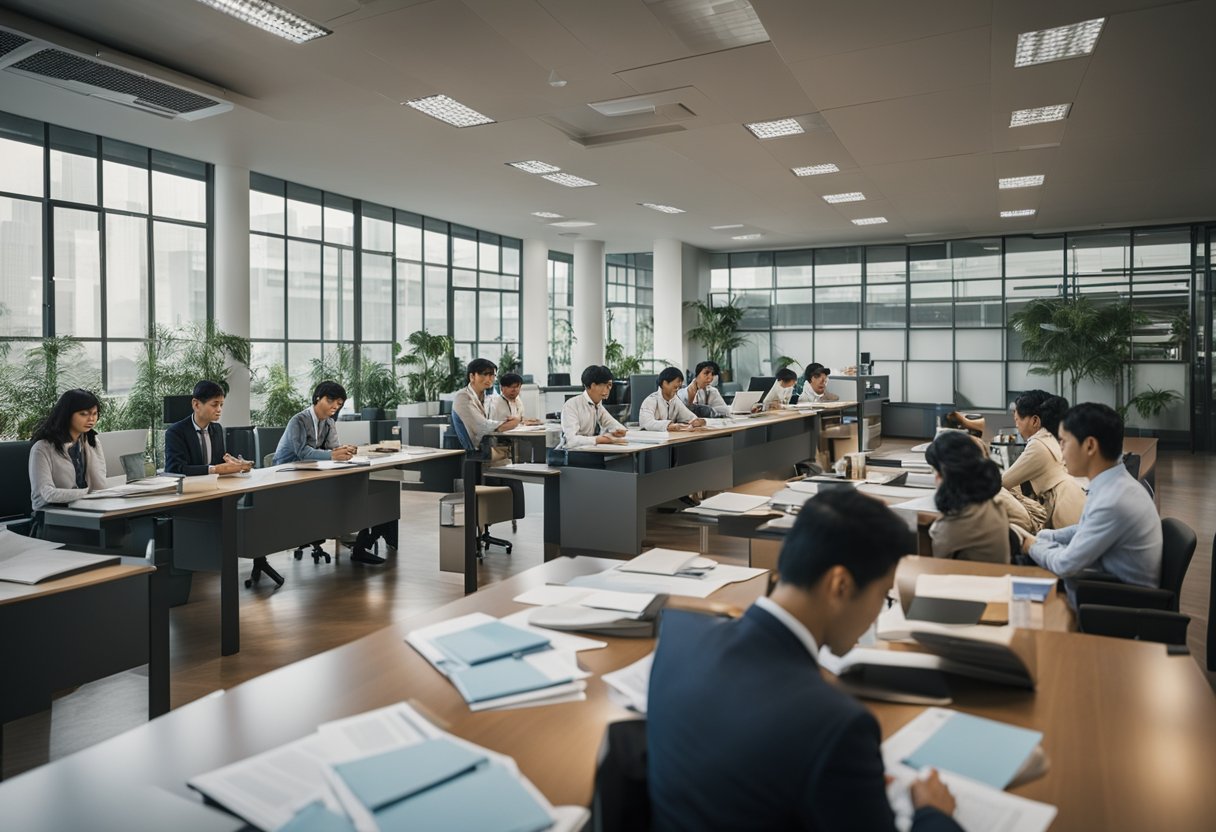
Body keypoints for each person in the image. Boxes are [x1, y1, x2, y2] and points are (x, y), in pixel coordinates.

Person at [647, 488, 962, 832]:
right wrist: (934, 814)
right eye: (882, 594)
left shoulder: (679, 636)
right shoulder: (838, 724)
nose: (876, 615)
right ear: (840, 584)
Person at [1022, 403, 1162, 598]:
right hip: (1103, 588)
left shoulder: (1114, 500)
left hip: (1111, 606)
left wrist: (1032, 545)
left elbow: (1065, 565)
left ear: (1089, 446)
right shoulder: (1114, 483)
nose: (1060, 449)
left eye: (1063, 441)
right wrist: (1045, 536)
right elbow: (1083, 529)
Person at [273, 382, 386, 565]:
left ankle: (349, 533)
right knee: (334, 493)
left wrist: (344, 449)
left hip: (312, 470)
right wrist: (333, 454)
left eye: (339, 403)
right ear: (318, 398)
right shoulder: (299, 421)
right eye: (331, 400)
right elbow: (303, 452)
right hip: (288, 472)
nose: (335, 406)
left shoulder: (329, 422)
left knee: (353, 488)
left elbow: (333, 448)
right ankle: (333, 529)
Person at [925, 431, 1040, 563]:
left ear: (944, 476)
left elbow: (939, 571)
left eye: (936, 471)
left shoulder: (947, 529)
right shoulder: (993, 504)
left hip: (973, 581)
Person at [1002, 390, 1086, 529]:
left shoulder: (1038, 445)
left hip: (1064, 505)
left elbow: (1004, 482)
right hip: (1072, 498)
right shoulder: (1049, 437)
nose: (1017, 425)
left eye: (1017, 420)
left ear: (1035, 420)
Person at [29, 389, 108, 518]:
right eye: (83, 414)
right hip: (53, 517)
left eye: (95, 413)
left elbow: (100, 485)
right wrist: (86, 493)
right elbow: (45, 494)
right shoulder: (42, 448)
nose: (91, 419)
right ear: (67, 415)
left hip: (90, 509)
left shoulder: (92, 441)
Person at [164, 380, 252, 476]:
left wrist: (236, 464)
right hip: (188, 488)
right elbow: (175, 469)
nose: (219, 409)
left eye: (221, 405)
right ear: (196, 405)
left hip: (215, 486)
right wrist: (214, 469)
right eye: (214, 404)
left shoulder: (217, 429)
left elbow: (219, 462)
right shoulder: (175, 432)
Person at [454, 358, 520, 461]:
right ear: (472, 376)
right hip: (472, 454)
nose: (489, 379)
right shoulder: (463, 397)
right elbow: (482, 426)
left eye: (492, 375)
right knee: (516, 451)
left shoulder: (488, 396)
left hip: (487, 447)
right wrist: (510, 423)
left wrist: (514, 420)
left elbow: (500, 418)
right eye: (484, 374)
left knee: (517, 449)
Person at [559, 365, 627, 448]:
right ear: (592, 386)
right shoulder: (572, 405)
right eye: (606, 385)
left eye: (610, 386)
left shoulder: (598, 405)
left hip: (589, 451)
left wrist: (618, 431)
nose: (608, 389)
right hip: (570, 454)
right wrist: (598, 439)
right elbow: (571, 440)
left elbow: (613, 424)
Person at [639, 368, 706, 432]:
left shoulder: (675, 400)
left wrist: (697, 421)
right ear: (664, 383)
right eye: (675, 387)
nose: (677, 390)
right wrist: (668, 425)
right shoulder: (651, 400)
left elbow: (689, 416)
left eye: (679, 387)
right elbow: (646, 423)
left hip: (670, 438)